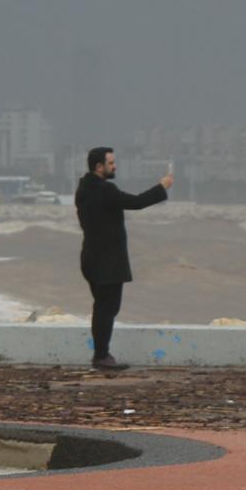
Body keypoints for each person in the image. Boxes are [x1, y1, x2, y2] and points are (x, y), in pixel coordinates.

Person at [75, 145, 171, 372]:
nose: (115, 166)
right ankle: (101, 356)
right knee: (107, 308)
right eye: (111, 163)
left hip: (91, 257)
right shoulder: (105, 189)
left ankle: (101, 355)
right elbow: (136, 202)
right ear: (99, 167)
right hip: (106, 261)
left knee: (102, 307)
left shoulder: (84, 188)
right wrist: (162, 187)